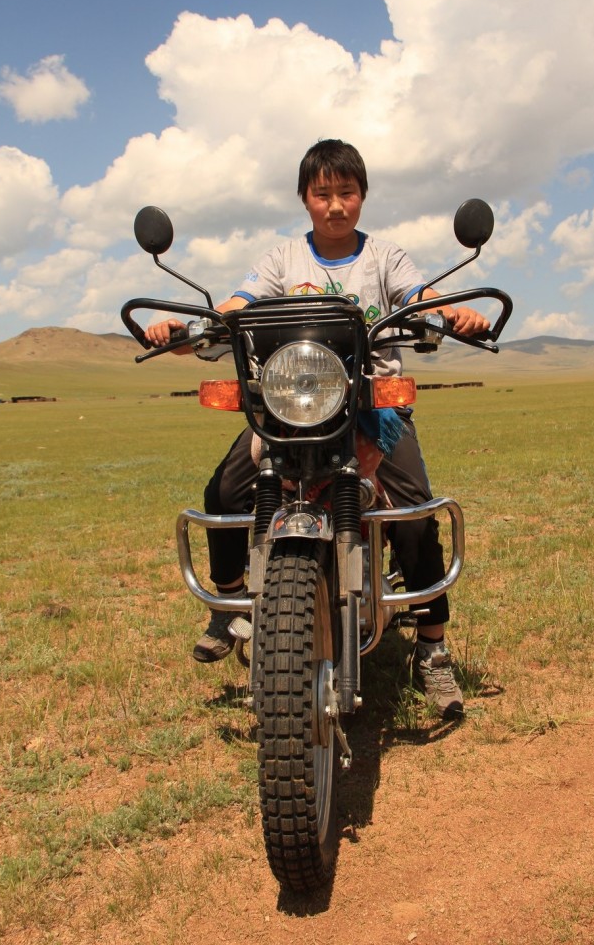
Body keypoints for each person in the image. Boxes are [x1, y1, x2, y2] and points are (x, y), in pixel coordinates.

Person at [146, 139, 490, 720]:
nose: (335, 205)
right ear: (305, 198)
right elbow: (238, 304)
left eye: (346, 193)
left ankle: (432, 648)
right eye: (323, 193)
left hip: (372, 404)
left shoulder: (385, 258)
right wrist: (189, 327)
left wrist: (451, 313)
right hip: (290, 406)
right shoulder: (283, 260)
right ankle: (230, 603)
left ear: (362, 197)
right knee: (225, 493)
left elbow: (420, 298)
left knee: (412, 513)